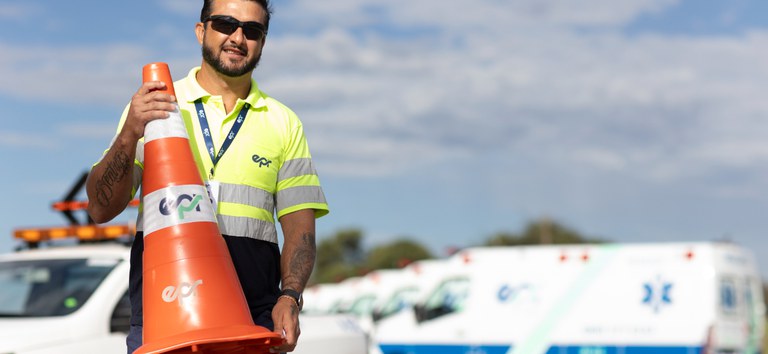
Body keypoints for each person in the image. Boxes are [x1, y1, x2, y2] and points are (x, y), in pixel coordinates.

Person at [85, 0, 328, 353]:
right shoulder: (155, 105)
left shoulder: (283, 122)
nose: (238, 38)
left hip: (251, 323)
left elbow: (300, 229)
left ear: (263, 41)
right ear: (201, 31)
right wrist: (129, 134)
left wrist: (290, 296)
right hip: (165, 318)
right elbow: (100, 209)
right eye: (226, 24)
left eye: (252, 30)